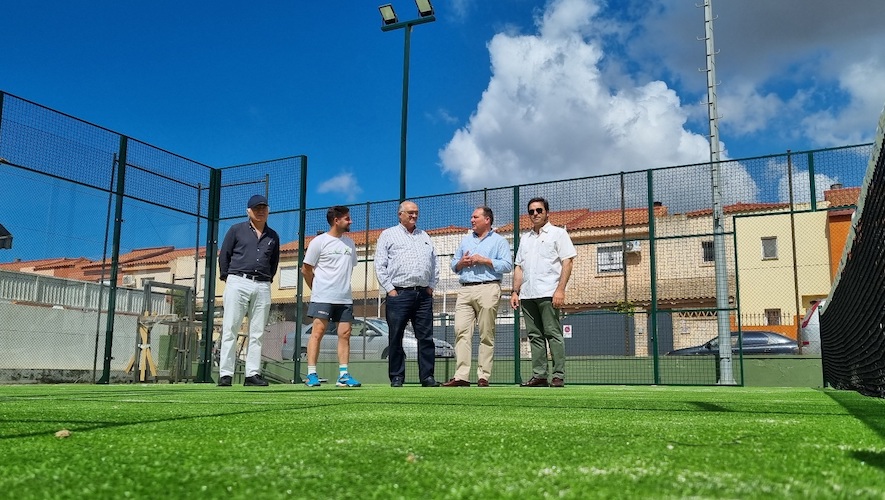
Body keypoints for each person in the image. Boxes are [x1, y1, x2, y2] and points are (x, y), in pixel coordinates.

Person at [510, 197, 576, 388]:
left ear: (547, 212)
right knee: (534, 335)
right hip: (527, 295)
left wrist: (560, 289)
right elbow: (519, 267)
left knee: (552, 333)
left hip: (549, 292)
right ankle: (539, 376)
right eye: (531, 211)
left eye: (539, 210)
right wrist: (515, 292)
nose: (535, 214)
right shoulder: (525, 238)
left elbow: (567, 262)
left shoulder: (559, 234)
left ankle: (558, 375)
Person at [374, 200, 441, 387]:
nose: (414, 215)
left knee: (426, 338)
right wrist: (390, 290)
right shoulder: (388, 235)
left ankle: (427, 377)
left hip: (423, 295)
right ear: (400, 214)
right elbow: (379, 264)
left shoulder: (425, 236)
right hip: (399, 295)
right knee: (395, 336)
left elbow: (434, 263)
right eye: (410, 212)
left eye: (416, 212)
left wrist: (431, 286)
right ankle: (397, 377)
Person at [443, 207, 512, 387]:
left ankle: (483, 376)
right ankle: (461, 377)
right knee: (460, 332)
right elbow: (453, 265)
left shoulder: (499, 242)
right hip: (465, 289)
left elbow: (507, 265)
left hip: (488, 288)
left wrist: (485, 260)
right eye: (471, 217)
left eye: (475, 217)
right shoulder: (465, 241)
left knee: (486, 334)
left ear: (487, 219)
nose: (472, 220)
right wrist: (460, 263)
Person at [217, 194, 280, 387]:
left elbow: (274, 263)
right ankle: (225, 374)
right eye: (256, 208)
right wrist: (229, 277)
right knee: (230, 328)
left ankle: (252, 374)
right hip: (238, 281)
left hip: (262, 285)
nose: (260, 211)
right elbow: (224, 255)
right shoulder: (236, 230)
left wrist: (266, 280)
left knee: (257, 332)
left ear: (268, 210)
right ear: (248, 211)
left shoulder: (273, 236)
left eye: (264, 208)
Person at [301, 206, 361, 388]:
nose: (350, 221)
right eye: (347, 219)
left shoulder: (350, 243)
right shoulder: (319, 242)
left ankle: (343, 375)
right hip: (322, 297)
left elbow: (350, 267)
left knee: (345, 334)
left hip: (344, 298)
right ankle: (311, 374)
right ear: (336, 220)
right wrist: (315, 289)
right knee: (317, 333)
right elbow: (306, 269)